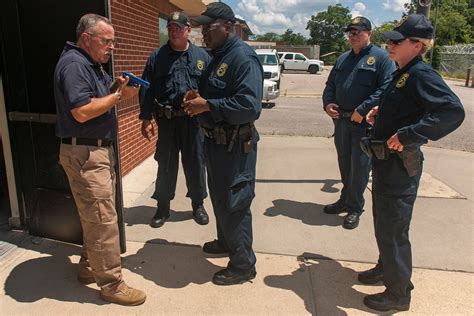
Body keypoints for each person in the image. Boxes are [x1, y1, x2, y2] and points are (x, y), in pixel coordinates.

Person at [360, 14, 465, 312]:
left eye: (396, 40)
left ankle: (398, 293)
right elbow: (407, 107)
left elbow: (452, 112)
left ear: (417, 45)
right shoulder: (403, 71)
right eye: (390, 39)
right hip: (385, 163)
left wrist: (409, 134)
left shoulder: (421, 74)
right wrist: (381, 113)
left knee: (393, 230)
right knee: (384, 225)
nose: (389, 44)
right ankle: (386, 269)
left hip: (399, 166)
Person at [54, 13, 146, 306]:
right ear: (86, 38)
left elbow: (97, 98)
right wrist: (118, 96)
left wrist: (115, 88)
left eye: (113, 42)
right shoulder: (74, 65)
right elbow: (81, 111)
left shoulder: (91, 65)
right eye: (107, 41)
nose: (112, 47)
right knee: (103, 219)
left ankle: (88, 267)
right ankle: (111, 284)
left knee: (96, 216)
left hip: (94, 151)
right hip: (85, 153)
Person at [183, 2, 263, 286]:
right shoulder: (217, 56)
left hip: (235, 147)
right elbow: (215, 94)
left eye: (209, 26)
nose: (203, 32)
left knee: (235, 203)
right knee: (219, 198)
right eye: (202, 27)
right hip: (216, 145)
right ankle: (226, 241)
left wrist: (209, 105)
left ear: (229, 27)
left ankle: (243, 265)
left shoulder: (243, 57)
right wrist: (198, 98)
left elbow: (250, 106)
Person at [322, 17, 396, 229]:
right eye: (350, 32)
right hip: (342, 123)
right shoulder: (343, 59)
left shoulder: (381, 58)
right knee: (345, 164)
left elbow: (386, 88)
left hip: (363, 125)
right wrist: (327, 104)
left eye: (358, 32)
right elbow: (330, 85)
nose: (353, 36)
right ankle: (345, 200)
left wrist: (362, 110)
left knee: (360, 168)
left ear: (369, 34)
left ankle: (355, 208)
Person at [139, 12, 210, 228]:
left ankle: (198, 204)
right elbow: (146, 89)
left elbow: (211, 89)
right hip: (167, 121)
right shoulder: (156, 57)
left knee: (196, 163)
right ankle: (163, 207)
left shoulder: (202, 57)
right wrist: (146, 117)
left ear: (188, 30)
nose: (173, 31)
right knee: (166, 164)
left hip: (193, 121)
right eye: (170, 28)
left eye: (178, 28)